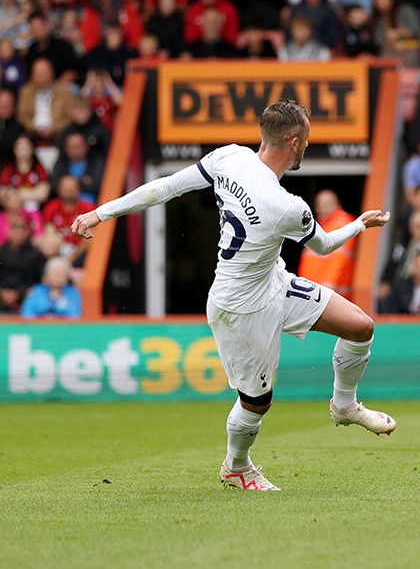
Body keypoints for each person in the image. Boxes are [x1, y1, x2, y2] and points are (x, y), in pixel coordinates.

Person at [71, 100, 396, 491]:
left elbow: (166, 187)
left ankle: (344, 406)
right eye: (307, 138)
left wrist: (100, 213)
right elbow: (324, 247)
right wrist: (360, 225)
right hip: (239, 306)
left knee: (360, 327)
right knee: (256, 401)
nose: (307, 145)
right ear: (293, 141)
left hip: (274, 282)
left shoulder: (229, 157)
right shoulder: (287, 206)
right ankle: (236, 466)